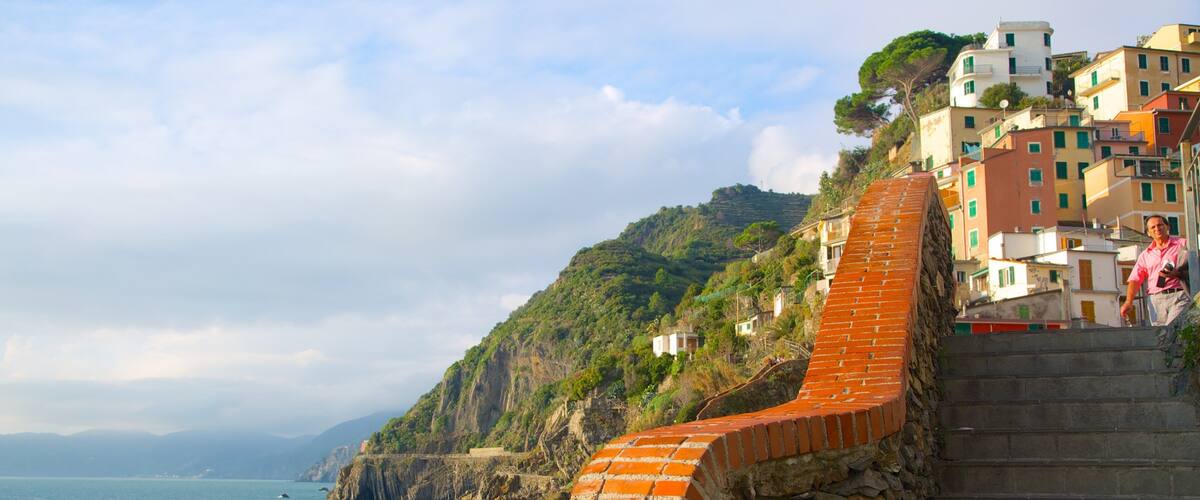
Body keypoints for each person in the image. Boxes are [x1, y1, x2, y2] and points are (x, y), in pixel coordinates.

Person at [1121, 215, 1192, 326]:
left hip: (1179, 295)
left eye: (1160, 225)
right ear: (1148, 232)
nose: (1157, 229)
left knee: (1173, 328)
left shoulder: (1183, 244)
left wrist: (1177, 274)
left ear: (1167, 227)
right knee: (1161, 336)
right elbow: (1135, 279)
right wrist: (1128, 302)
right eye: (1153, 227)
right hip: (1155, 300)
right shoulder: (1145, 255)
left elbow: (1195, 266)